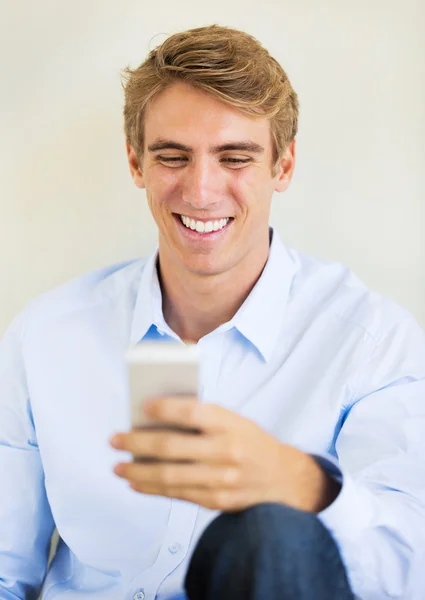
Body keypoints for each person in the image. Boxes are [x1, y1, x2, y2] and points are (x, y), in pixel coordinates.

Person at [0, 23, 424, 600]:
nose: (200, 192)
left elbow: (406, 575)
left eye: (234, 158)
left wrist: (307, 487)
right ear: (136, 163)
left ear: (283, 166)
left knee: (273, 535)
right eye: (173, 156)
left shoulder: (375, 344)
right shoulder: (44, 337)